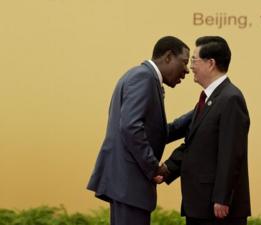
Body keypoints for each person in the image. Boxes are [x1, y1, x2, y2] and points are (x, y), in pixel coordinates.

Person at [87, 36, 191, 225]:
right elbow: (130, 127)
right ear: (168, 57)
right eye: (184, 62)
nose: (186, 71)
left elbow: (155, 131)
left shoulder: (142, 76)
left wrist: (197, 115)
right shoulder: (144, 77)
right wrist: (152, 167)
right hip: (129, 185)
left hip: (126, 185)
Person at [159, 36, 251, 225]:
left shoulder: (230, 99)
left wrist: (222, 198)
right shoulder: (211, 99)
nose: (190, 66)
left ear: (210, 63)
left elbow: (232, 153)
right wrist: (167, 169)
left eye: (194, 60)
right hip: (201, 205)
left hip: (218, 209)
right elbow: (195, 144)